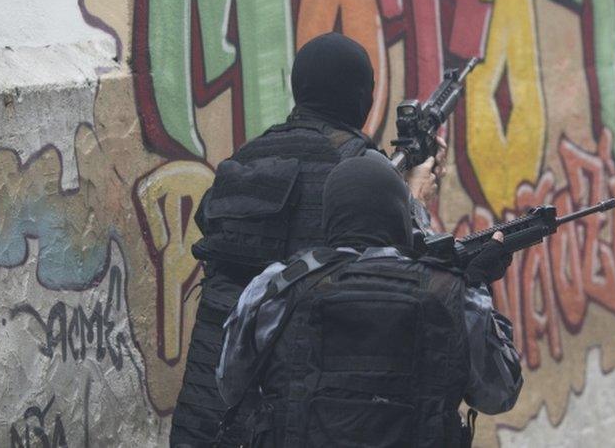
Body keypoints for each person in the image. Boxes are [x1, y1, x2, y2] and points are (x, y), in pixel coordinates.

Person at [170, 33, 443, 447]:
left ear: (298, 88)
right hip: (299, 412)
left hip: (209, 404)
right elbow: (412, 269)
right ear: (362, 98)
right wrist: (414, 196)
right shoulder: (359, 170)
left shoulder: (244, 161)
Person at [216, 154, 523, 447]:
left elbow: (230, 385)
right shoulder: (450, 293)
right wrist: (477, 285)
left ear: (331, 217)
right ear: (399, 216)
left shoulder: (278, 286)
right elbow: (500, 393)